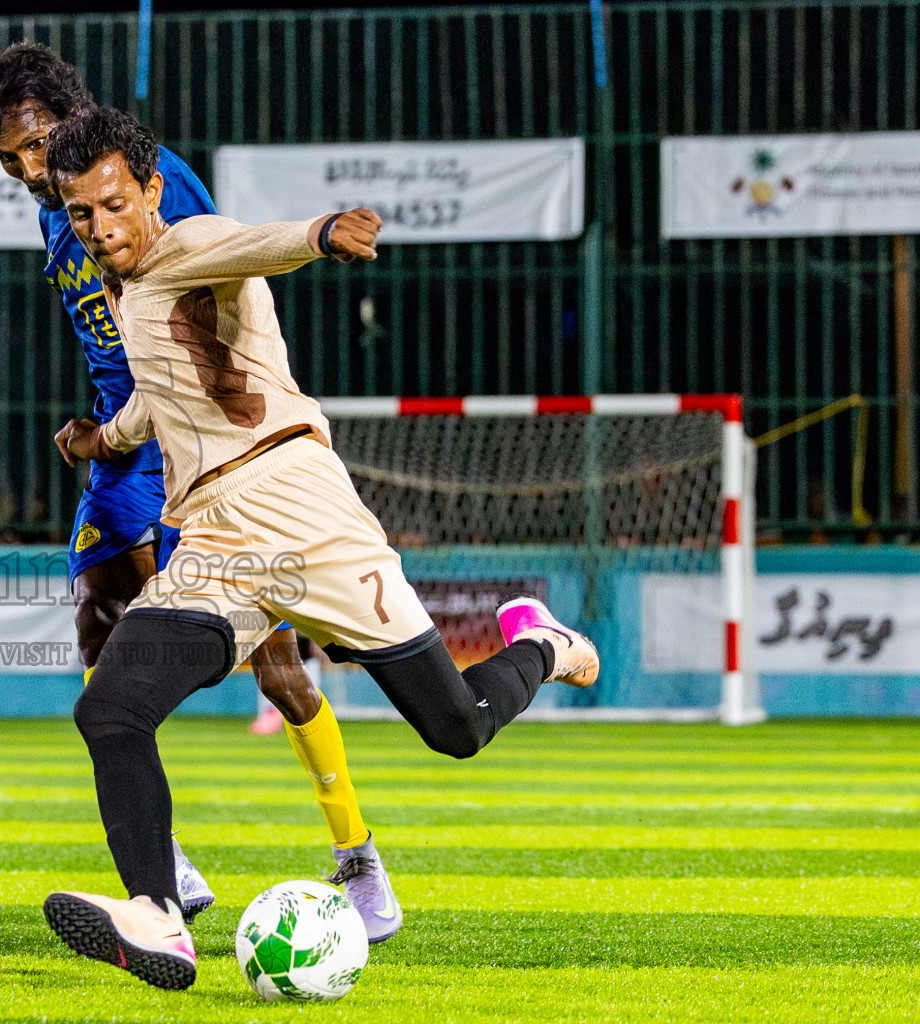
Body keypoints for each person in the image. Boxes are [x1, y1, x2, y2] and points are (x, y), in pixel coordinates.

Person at [40, 107, 600, 990]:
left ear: (151, 190)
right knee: (110, 709)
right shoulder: (132, 290)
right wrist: (101, 440)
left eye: (115, 204)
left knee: (455, 729)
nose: (102, 229)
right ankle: (156, 915)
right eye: (81, 214)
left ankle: (545, 645)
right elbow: (161, 398)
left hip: (304, 513)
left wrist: (323, 234)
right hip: (217, 540)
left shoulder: (191, 242)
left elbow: (259, 245)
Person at [0, 42, 396, 933]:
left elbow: (227, 273)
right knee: (97, 615)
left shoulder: (154, 182)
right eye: (8, 160)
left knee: (273, 663)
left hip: (196, 437)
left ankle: (357, 855)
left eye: (35, 145)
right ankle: (165, 871)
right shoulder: (60, 213)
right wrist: (102, 428)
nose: (27, 169)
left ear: (72, 119)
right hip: (123, 442)